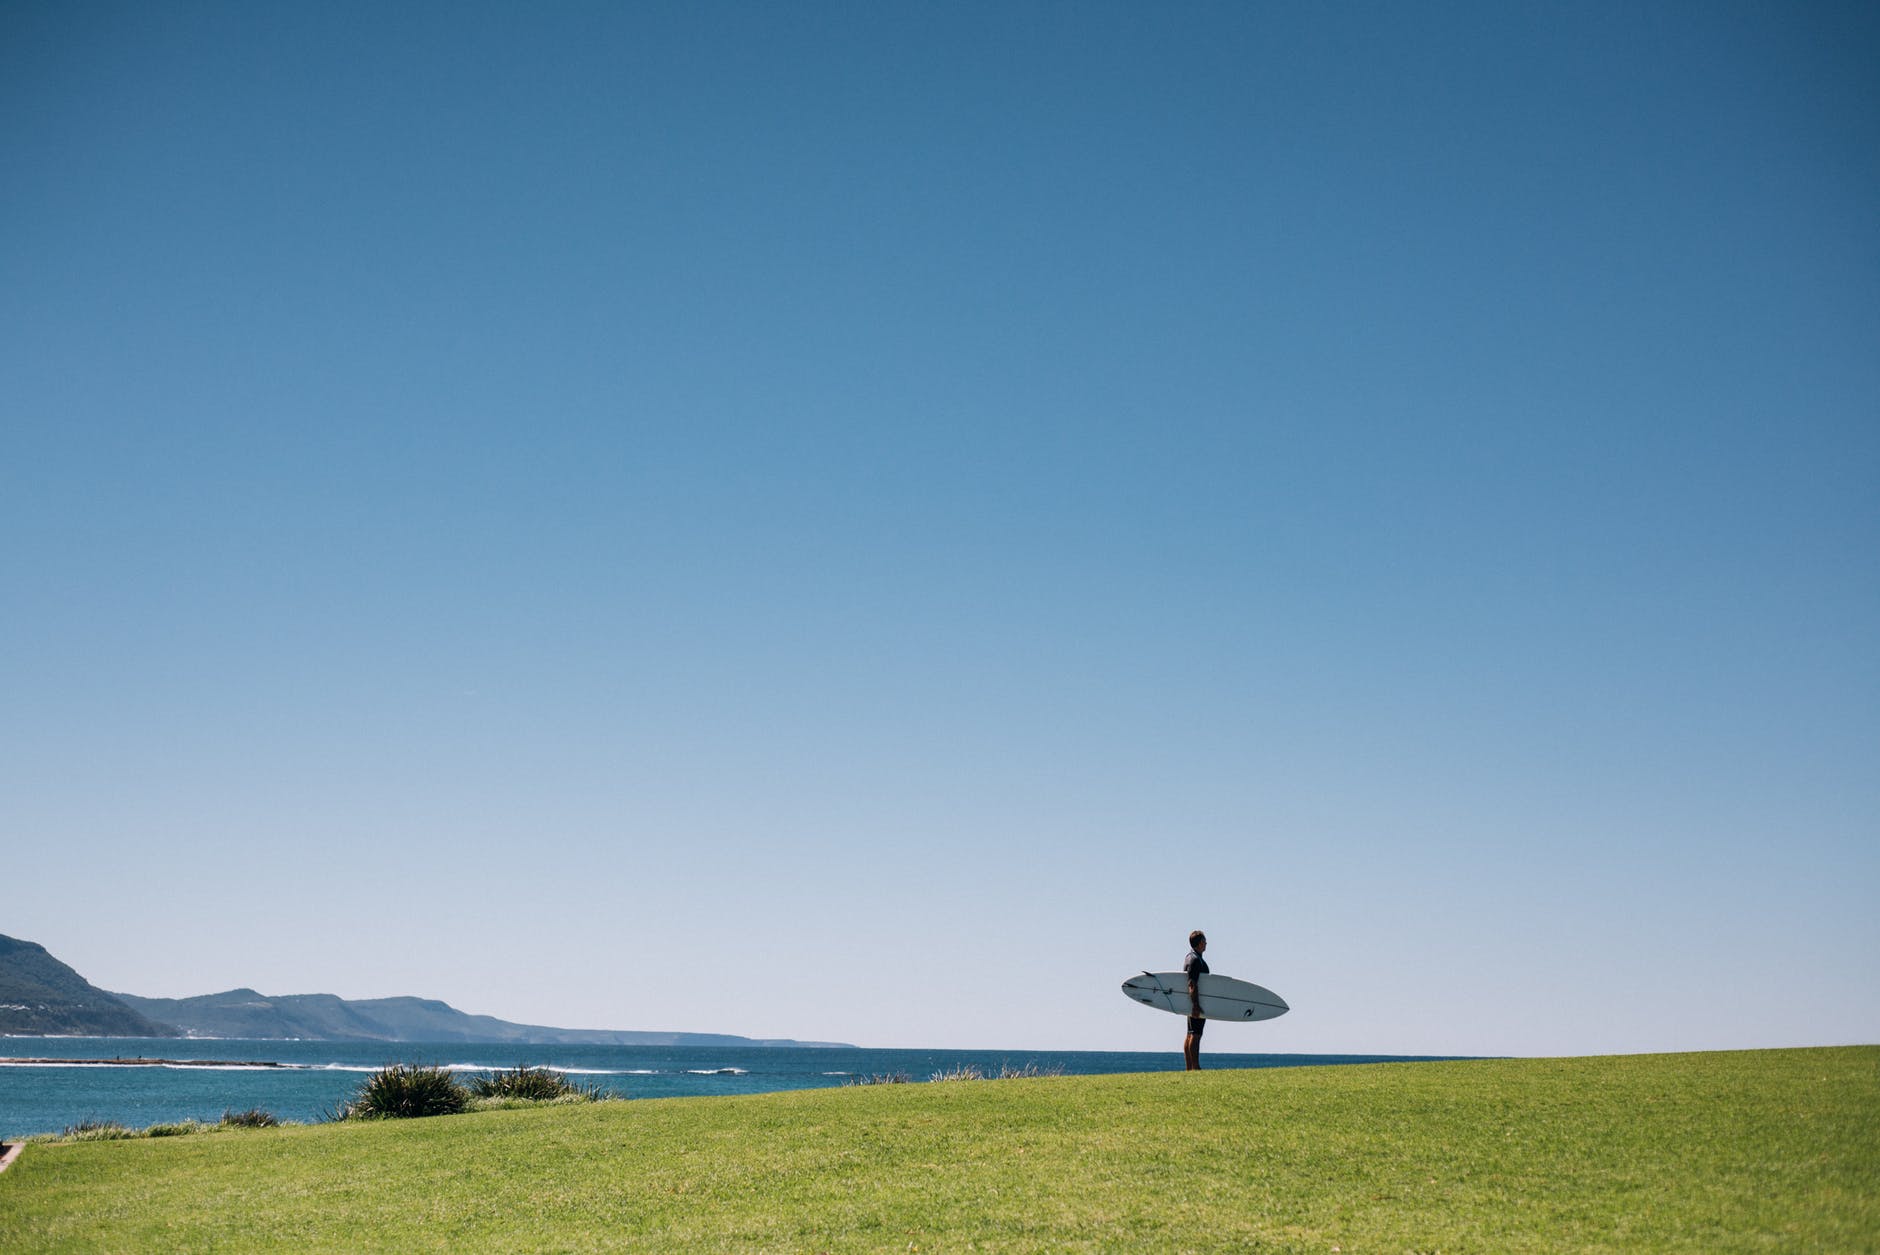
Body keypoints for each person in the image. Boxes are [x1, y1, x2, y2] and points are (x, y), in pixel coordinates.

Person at [1183, 929, 1208, 1071]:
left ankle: (1189, 1068)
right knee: (1195, 1034)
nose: (1206, 944)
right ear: (1199, 943)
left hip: (1193, 1001)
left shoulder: (1192, 957)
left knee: (1191, 1033)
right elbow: (1192, 983)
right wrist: (1196, 1004)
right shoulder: (1194, 960)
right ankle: (1195, 1067)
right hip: (1195, 1001)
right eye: (1204, 941)